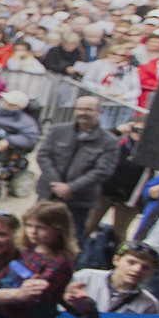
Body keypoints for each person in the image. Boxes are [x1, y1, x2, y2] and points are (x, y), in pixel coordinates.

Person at [34, 95, 119, 243]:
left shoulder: (109, 141)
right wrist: (56, 184)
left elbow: (103, 170)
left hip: (79, 201)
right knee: (37, 232)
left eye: (88, 109)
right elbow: (43, 155)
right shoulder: (58, 130)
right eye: (79, 109)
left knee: (70, 239)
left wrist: (72, 188)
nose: (82, 113)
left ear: (99, 111)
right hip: (49, 194)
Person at [63, 241, 159, 318]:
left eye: (145, 267)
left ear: (152, 273)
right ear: (116, 260)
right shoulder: (85, 277)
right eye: (131, 262)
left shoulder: (150, 304)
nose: (137, 270)